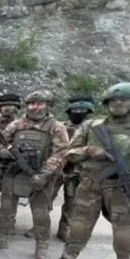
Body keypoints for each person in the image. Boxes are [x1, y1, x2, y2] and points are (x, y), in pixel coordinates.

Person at [47, 83, 130, 259]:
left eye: (124, 100)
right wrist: (89, 150)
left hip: (123, 189)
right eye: (113, 100)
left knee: (125, 236)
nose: (118, 103)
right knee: (78, 227)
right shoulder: (91, 126)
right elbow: (69, 152)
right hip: (90, 185)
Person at [0, 90, 69, 259]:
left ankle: (42, 246)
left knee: (41, 214)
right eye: (32, 104)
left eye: (40, 104)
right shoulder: (16, 124)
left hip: (40, 174)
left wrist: (45, 174)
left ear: (48, 106)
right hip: (14, 173)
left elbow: (61, 153)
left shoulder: (56, 127)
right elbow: (0, 141)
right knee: (6, 208)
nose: (35, 107)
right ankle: (2, 238)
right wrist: (3, 151)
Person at [53, 95, 95, 241]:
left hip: (77, 171)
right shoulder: (61, 126)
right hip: (58, 167)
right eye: (75, 110)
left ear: (88, 111)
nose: (78, 113)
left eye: (82, 110)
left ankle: (65, 229)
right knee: (46, 198)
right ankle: (39, 226)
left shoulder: (93, 129)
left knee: (72, 203)